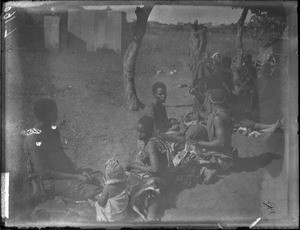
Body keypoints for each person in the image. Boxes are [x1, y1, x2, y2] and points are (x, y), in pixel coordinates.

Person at [16, 99, 102, 213]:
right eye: (54, 112)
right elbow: (44, 173)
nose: (57, 114)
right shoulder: (33, 138)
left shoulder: (53, 129)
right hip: (47, 183)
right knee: (93, 190)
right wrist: (76, 177)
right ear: (46, 115)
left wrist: (77, 171)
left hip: (63, 175)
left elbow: (61, 155)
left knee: (95, 179)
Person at [125, 116, 175, 221]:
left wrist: (134, 166)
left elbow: (155, 169)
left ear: (149, 131)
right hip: (162, 174)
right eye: (138, 131)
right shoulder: (151, 139)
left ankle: (151, 217)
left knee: (150, 188)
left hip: (162, 179)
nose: (139, 134)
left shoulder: (151, 143)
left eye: (142, 132)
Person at [90, 158, 129, 222]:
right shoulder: (123, 185)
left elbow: (102, 203)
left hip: (112, 217)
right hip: (121, 214)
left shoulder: (107, 188)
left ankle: (94, 205)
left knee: (99, 204)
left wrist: (97, 197)